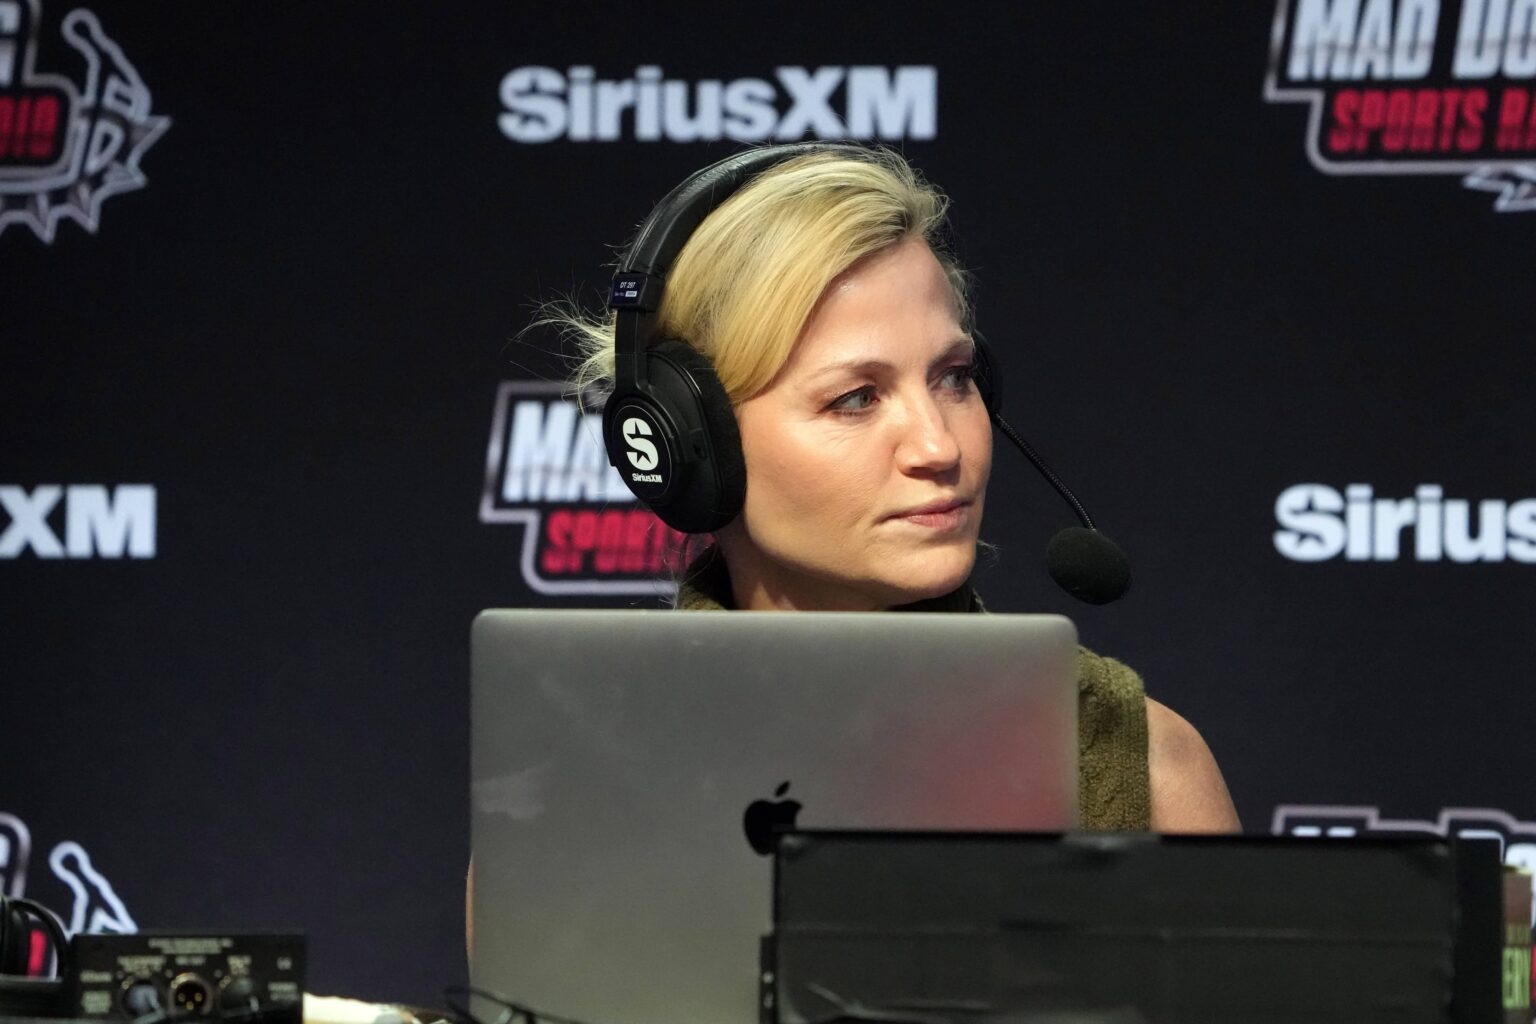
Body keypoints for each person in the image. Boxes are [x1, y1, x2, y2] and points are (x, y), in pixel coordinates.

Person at [562, 144, 1240, 833]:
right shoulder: (580, 785)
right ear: (690, 443)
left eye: (953, 377)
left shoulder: (1141, 767)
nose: (939, 447)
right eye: (856, 398)